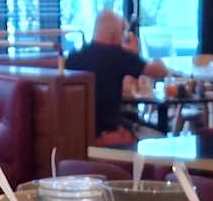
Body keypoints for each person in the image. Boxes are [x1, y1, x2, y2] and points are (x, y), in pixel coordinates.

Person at [65, 9, 167, 139]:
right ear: (114, 33)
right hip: (109, 131)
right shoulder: (119, 55)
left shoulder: (74, 57)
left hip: (77, 133)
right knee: (159, 137)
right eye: (122, 31)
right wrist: (137, 55)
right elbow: (159, 72)